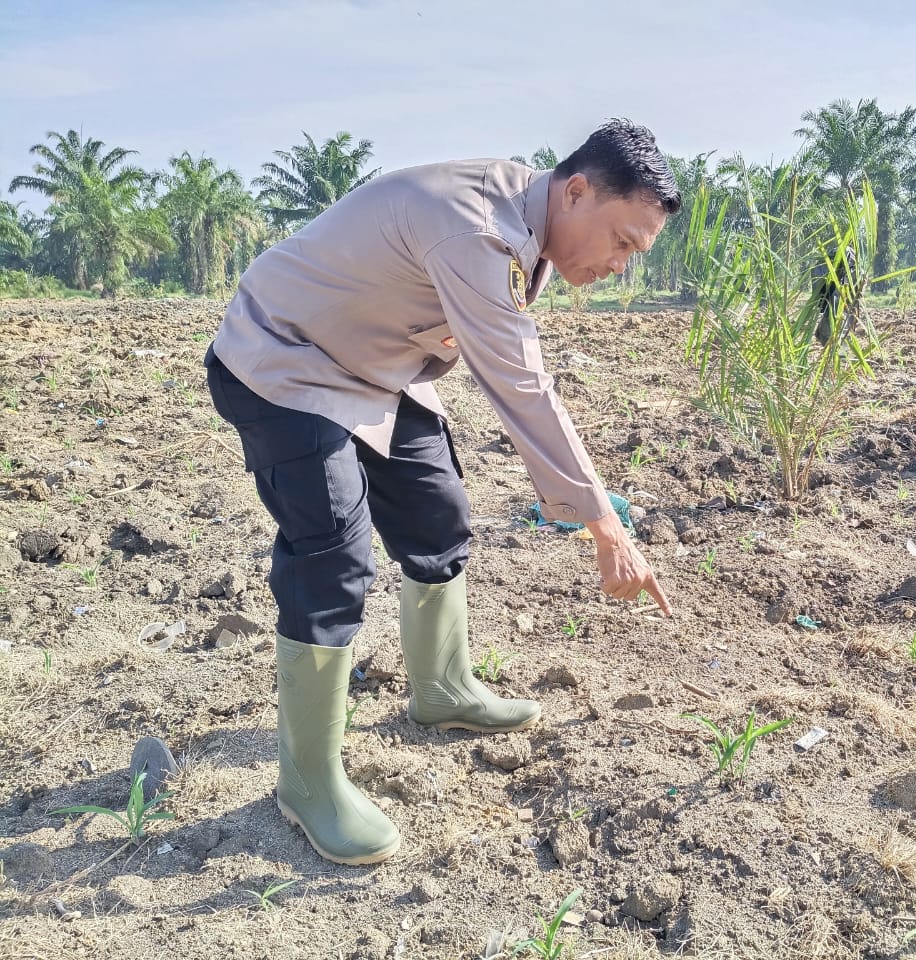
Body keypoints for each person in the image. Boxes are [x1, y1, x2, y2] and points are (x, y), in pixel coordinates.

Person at [205, 119, 678, 866]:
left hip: (375, 367)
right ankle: (307, 783)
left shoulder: (531, 218)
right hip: (284, 358)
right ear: (578, 192)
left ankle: (443, 689)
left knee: (439, 514)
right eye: (623, 242)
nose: (622, 264)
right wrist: (604, 526)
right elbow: (521, 384)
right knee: (332, 555)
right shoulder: (477, 230)